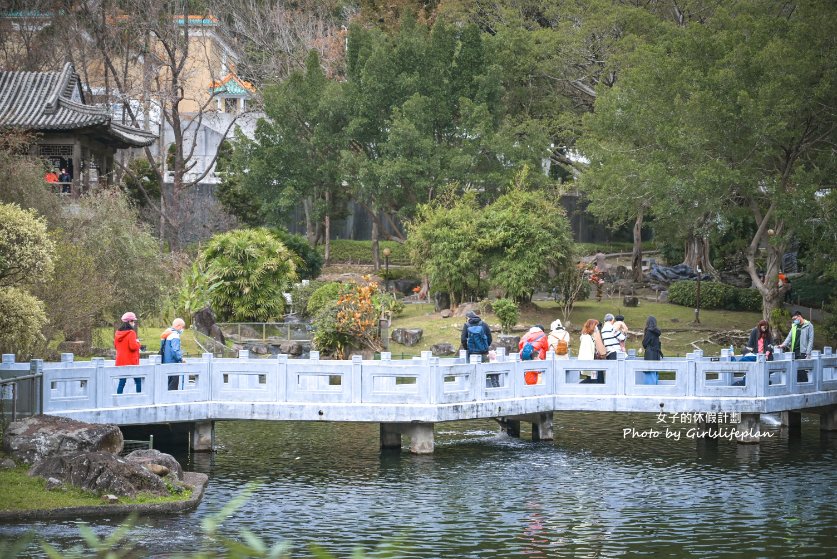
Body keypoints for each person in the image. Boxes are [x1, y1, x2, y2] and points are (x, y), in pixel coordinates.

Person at [778, 311, 814, 382]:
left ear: (799, 316)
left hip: (803, 352)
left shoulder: (809, 325)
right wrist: (783, 345)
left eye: (795, 319)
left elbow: (811, 340)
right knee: (795, 371)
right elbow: (789, 337)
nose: (794, 321)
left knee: (801, 370)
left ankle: (804, 386)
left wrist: (808, 352)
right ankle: (798, 387)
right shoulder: (794, 326)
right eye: (793, 319)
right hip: (794, 351)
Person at [114, 312, 142, 394]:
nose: (134, 323)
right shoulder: (131, 333)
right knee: (138, 381)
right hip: (131, 361)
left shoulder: (117, 333)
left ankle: (118, 399)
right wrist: (138, 343)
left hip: (121, 362)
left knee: (122, 382)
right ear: (130, 321)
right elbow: (133, 347)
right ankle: (139, 398)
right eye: (133, 321)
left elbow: (116, 346)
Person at [578, 319, 606, 383]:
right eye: (596, 326)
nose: (597, 328)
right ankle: (577, 387)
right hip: (593, 365)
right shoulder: (587, 337)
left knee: (598, 381)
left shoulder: (590, 337)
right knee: (594, 381)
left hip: (596, 364)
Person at [161, 318, 186, 390]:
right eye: (182, 327)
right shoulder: (175, 335)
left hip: (165, 363)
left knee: (167, 385)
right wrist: (181, 359)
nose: (182, 329)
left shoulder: (167, 333)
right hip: (173, 363)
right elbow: (175, 350)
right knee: (173, 386)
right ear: (178, 326)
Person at [641, 315, 662, 385]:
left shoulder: (649, 331)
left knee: (649, 371)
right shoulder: (657, 332)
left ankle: (649, 390)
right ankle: (655, 389)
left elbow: (644, 343)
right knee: (655, 372)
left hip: (650, 353)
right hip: (656, 354)